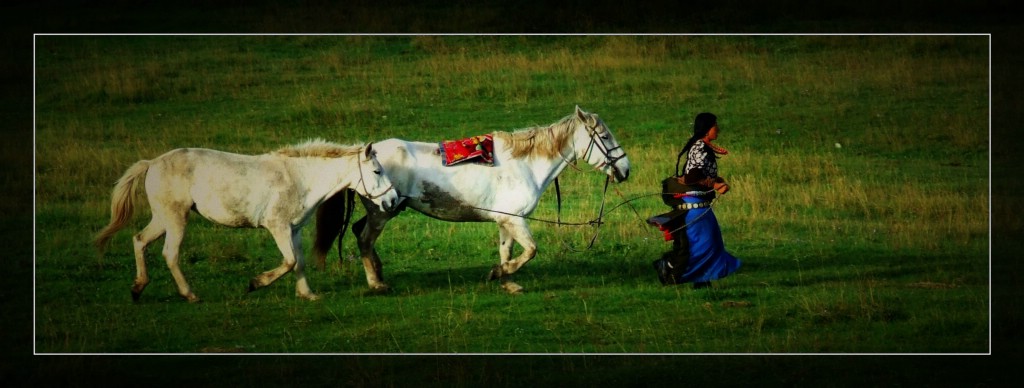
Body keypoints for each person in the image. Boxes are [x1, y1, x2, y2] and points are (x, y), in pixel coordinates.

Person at [649, 112, 740, 289]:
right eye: (715, 125)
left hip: (700, 205)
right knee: (702, 243)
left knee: (709, 242)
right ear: (707, 130)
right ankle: (668, 265)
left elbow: (699, 174)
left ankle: (702, 281)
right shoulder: (700, 147)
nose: (718, 129)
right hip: (694, 205)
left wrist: (717, 181)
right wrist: (715, 184)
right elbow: (692, 177)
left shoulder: (702, 146)